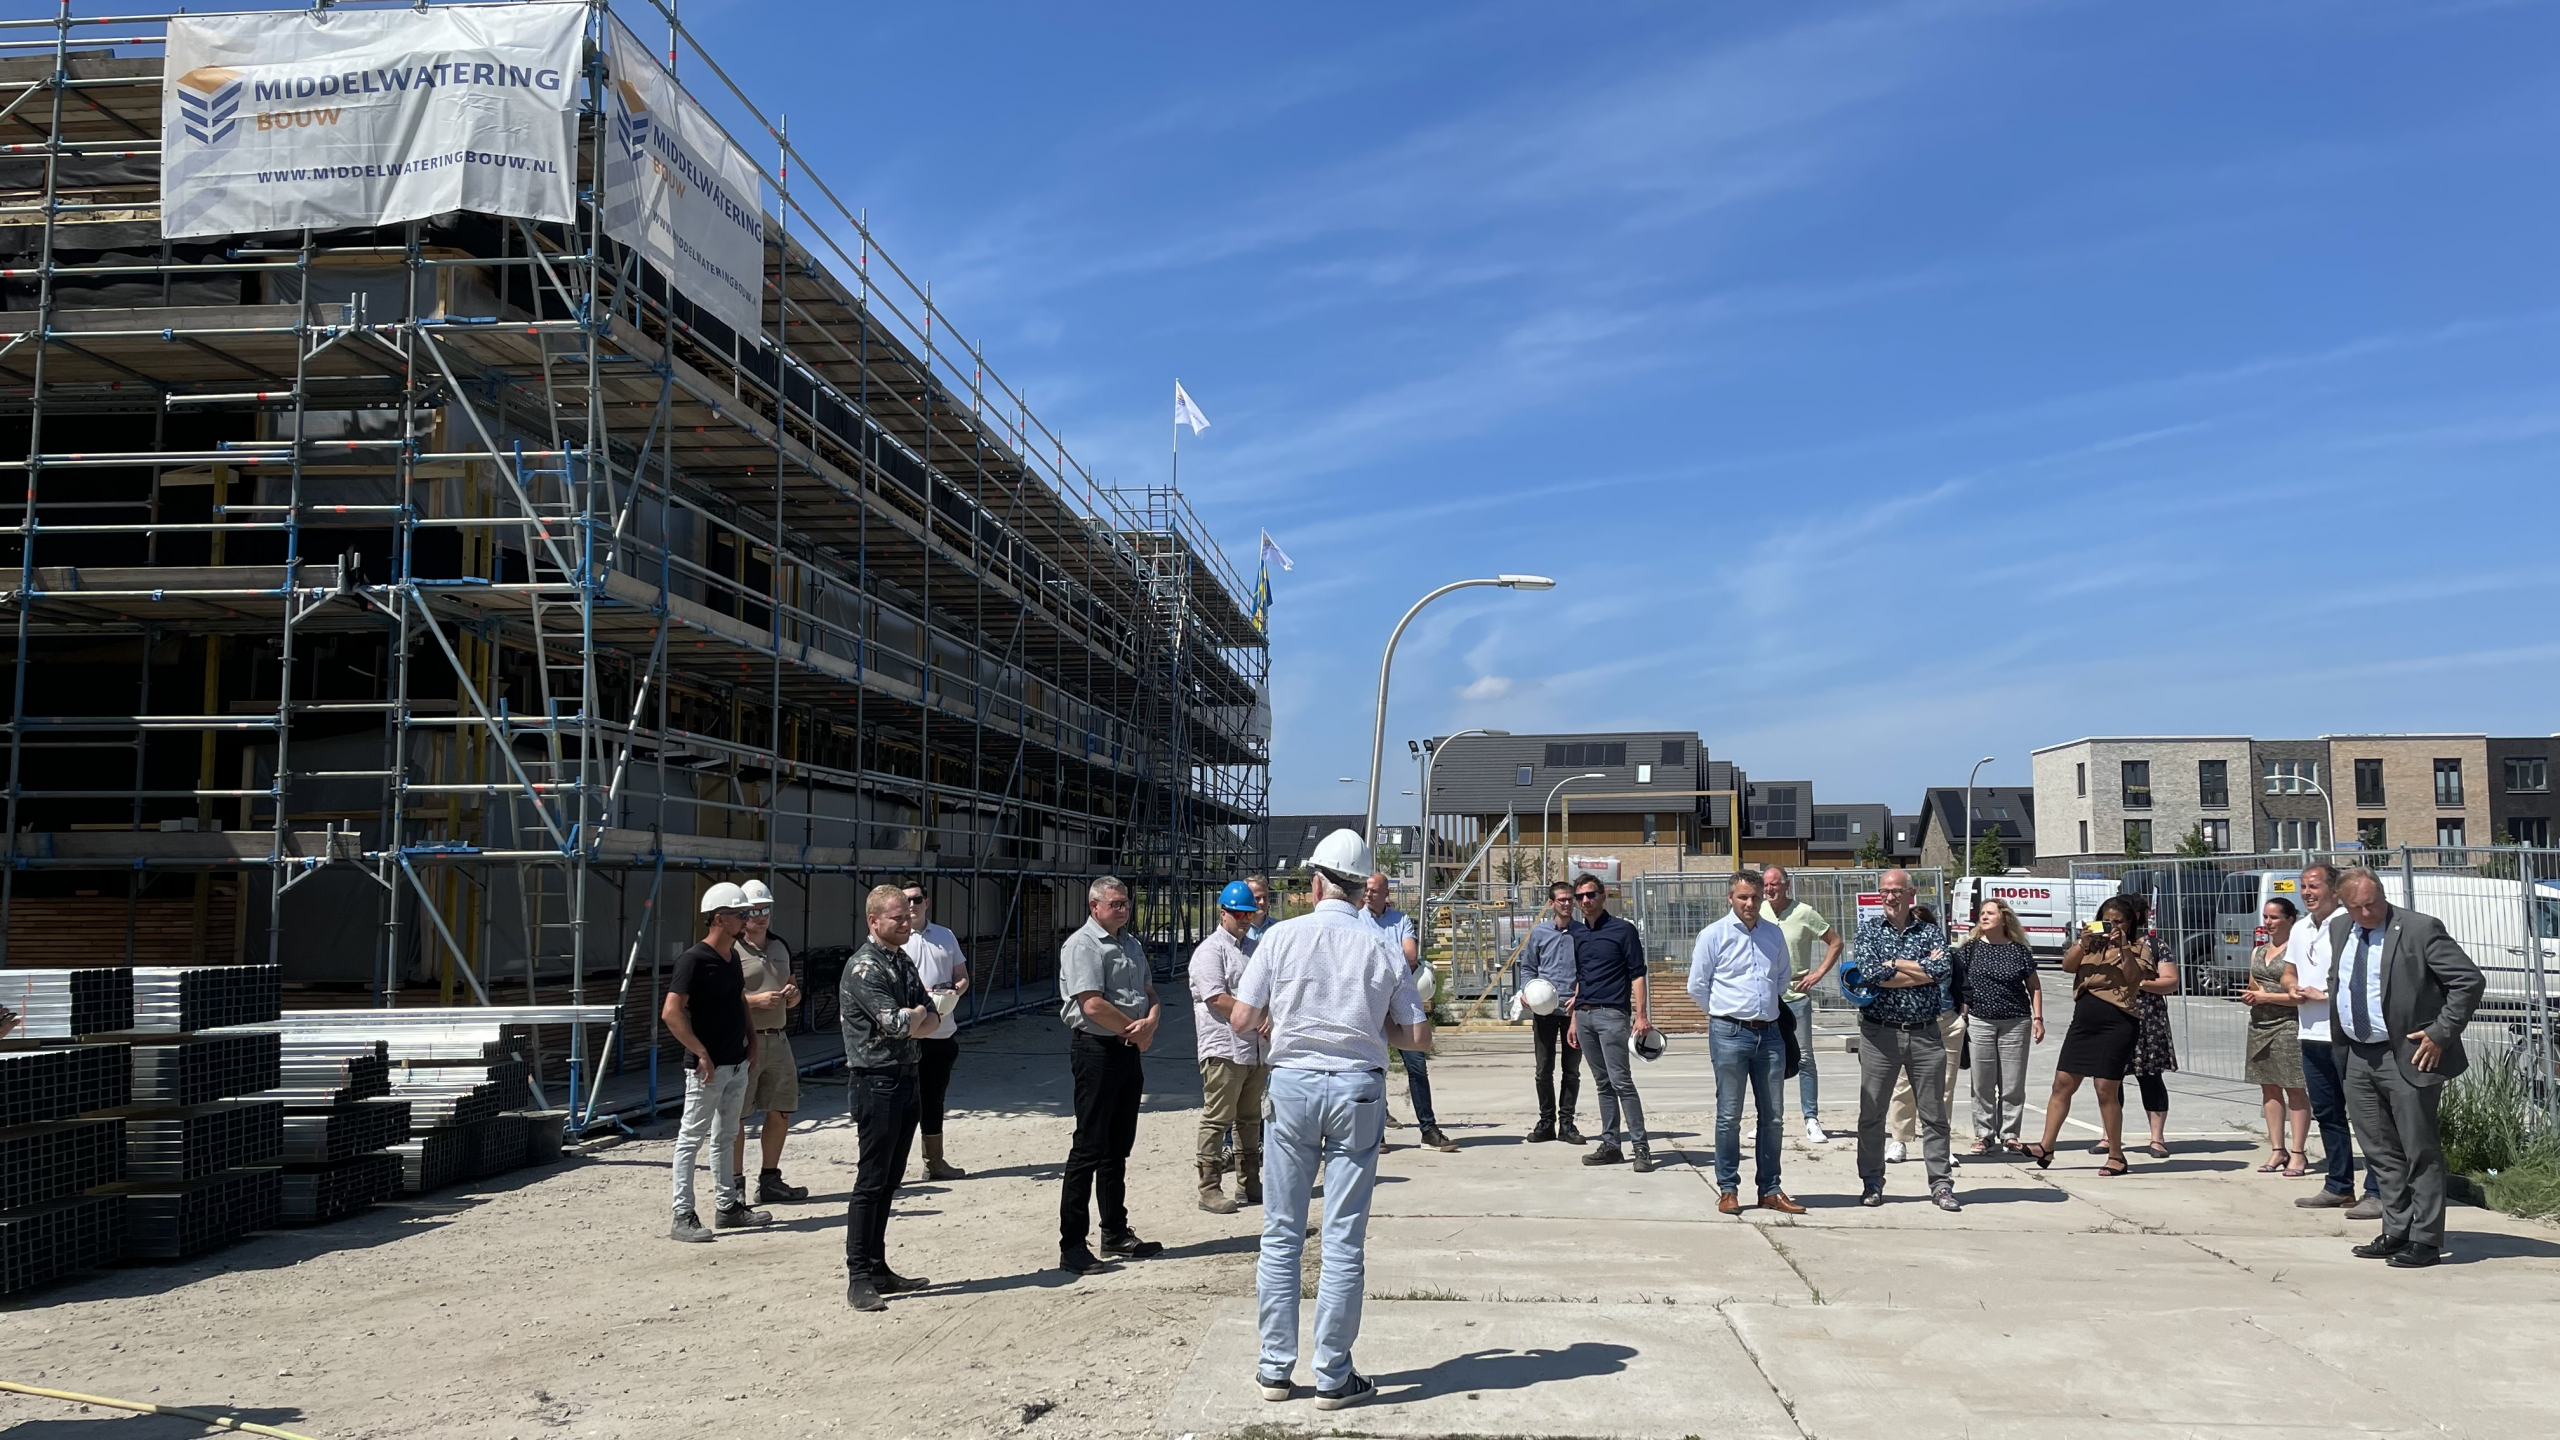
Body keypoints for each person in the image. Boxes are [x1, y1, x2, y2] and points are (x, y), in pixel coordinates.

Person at [1231, 828, 1429, 1412]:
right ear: (1362, 888)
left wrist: (1282, 1025)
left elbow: (1242, 1018)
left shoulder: (1280, 937)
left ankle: (1273, 1368)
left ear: (1316, 882)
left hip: (1291, 1084)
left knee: (1282, 1232)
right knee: (1344, 1239)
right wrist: (1369, 1031)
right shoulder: (1382, 946)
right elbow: (1416, 1035)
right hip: (1356, 1090)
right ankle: (1334, 1375)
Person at [2325, 867, 2484, 1268]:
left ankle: (2427, 1239)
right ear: (2343, 903)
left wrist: (2440, 1033)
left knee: (2419, 1149)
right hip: (2359, 1055)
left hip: (2408, 1055)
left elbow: (2467, 981)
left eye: (2372, 903)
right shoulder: (2340, 928)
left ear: (2382, 894)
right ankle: (2397, 1230)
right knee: (2379, 1150)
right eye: (2356, 907)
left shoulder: (2419, 928)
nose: (2366, 913)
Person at [838, 884, 943, 1310]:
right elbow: (898, 1022)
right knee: (871, 1180)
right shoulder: (865, 968)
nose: (907, 921)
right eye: (897, 917)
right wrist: (917, 1017)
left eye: (909, 914)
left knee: (891, 1180)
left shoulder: (899, 961)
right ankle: (859, 1275)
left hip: (906, 1075)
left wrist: (917, 1017)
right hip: (875, 1081)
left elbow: (931, 1015)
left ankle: (879, 1267)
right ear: (874, 922)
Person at [1056, 875, 1165, 1275]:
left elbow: (1149, 992)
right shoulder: (1083, 945)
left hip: (1127, 1051)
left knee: (1118, 1146)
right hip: (1097, 1050)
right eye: (1114, 904)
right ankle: (1072, 1244)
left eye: (1125, 903)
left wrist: (1150, 1021)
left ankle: (1115, 1230)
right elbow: (1092, 1005)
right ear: (1094, 907)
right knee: (1088, 1147)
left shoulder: (1130, 944)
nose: (1122, 909)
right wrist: (1133, 1030)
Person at [2019, 895, 2169, 1177]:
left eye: (2118, 921)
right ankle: (2046, 1146)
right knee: (2062, 1083)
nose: (2111, 926)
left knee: (2105, 1089)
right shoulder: (2090, 945)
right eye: (2106, 921)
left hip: (2118, 1022)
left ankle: (2116, 1155)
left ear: (2130, 922)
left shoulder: (2139, 946)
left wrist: (2122, 946)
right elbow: (2068, 966)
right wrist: (2083, 941)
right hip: (2084, 1020)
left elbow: (2134, 977)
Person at [1687, 871, 1805, 1215]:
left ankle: (1770, 1189)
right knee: (1729, 1116)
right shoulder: (1714, 935)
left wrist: (1762, 1008)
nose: (1750, 903)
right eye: (1743, 897)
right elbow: (1698, 985)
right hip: (1729, 1033)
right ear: (1730, 898)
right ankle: (1727, 1188)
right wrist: (1725, 1012)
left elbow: (1782, 977)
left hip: (1769, 1034)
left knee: (1774, 1118)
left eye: (1755, 897)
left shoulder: (1774, 935)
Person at [662, 882, 769, 1242]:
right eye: (741, 914)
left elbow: (739, 1001)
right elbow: (671, 1013)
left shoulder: (732, 957)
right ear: (719, 918)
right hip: (706, 1068)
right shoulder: (693, 960)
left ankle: (728, 1207)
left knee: (727, 1135)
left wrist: (751, 1041)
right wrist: (701, 1052)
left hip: (735, 1062)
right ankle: (682, 1214)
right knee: (691, 1138)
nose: (747, 919)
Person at [1847, 870, 1958, 1210]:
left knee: (1934, 1114)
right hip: (1880, 1033)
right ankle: (1872, 1181)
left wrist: (1894, 963)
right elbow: (1870, 974)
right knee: (1872, 1114)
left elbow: (1942, 972)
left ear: (1911, 894)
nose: (1889, 897)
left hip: (1925, 1032)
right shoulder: (1868, 931)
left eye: (1896, 891)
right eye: (1884, 891)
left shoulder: (1929, 931)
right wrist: (1918, 971)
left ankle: (1940, 1185)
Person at [2282, 864, 2383, 1216]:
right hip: (2310, 1033)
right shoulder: (2299, 929)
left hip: (2345, 1034)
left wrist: (2325, 994)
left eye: (2314, 886)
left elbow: (2359, 976)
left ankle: (2377, 1189)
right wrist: (2291, 988)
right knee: (2328, 1113)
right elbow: (2289, 971)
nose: (2307, 893)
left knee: (2365, 1115)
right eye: (2303, 887)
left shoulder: (2349, 924)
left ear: (2334, 889)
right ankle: (2339, 1186)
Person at [1567, 874, 1656, 1171]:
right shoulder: (1577, 933)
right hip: (1585, 1015)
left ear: (1603, 896)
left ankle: (1641, 1148)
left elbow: (1638, 974)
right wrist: (1574, 1020)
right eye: (1580, 897)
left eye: (1590, 894)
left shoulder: (1623, 931)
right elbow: (1582, 976)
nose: (1585, 901)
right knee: (1602, 1083)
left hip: (1612, 1015)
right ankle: (1611, 1145)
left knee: (1621, 1082)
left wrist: (1641, 1015)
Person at [1190, 880, 1270, 1214]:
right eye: (1238, 913)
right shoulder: (1210, 951)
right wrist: (1256, 1015)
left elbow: (1269, 989)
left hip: (1254, 1048)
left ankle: (1250, 1182)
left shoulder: (1254, 949)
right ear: (1222, 912)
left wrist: (1270, 1014)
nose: (1244, 919)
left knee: (1250, 1118)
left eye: (1249, 913)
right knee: (1218, 1117)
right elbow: (1217, 998)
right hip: (1224, 1046)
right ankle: (1209, 1187)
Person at [1361, 871, 1454, 1153]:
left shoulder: (1400, 920)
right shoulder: (1355, 919)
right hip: (1370, 1003)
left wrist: (1379, 959)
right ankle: (1376, 1135)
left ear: (1385, 892)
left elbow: (1411, 955)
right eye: (1365, 890)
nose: (1368, 894)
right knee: (1373, 1069)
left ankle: (1428, 1129)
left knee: (1417, 1066)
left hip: (1400, 1003)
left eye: (1374, 890)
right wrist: (1393, 958)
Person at [730, 879, 809, 1205]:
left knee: (781, 1109)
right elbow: (718, 1000)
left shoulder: (779, 946)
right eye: (753, 911)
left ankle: (770, 1179)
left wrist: (792, 995)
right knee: (737, 1115)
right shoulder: (730, 950)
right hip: (742, 1042)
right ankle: (733, 1185)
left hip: (777, 1039)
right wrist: (753, 1001)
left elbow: (793, 989)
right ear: (741, 913)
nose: (760, 917)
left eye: (765, 909)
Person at [1956, 897, 2043, 1153]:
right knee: (1982, 1083)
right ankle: (1983, 1134)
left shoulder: (2018, 950)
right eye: (1982, 913)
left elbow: (2034, 987)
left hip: (2015, 1021)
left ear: (2003, 918)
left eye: (1990, 913)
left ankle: (2010, 1134)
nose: (1984, 917)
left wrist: (2038, 1018)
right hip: (1980, 1020)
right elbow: (1959, 983)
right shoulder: (1970, 948)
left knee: (2012, 1083)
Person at [1764, 866, 1843, 1143]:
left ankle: (1811, 1118)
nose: (1769, 889)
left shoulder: (1804, 912)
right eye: (1766, 885)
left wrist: (1818, 973)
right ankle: (1770, 1117)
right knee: (1767, 1060)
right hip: (1766, 997)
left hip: (1796, 996)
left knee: (1804, 1058)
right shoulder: (1758, 912)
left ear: (1786, 885)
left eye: (1774, 884)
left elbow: (1835, 941)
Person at [899, 880, 971, 1182]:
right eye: (906, 902)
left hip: (942, 1031)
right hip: (908, 1034)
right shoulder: (895, 938)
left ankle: (934, 1162)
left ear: (926, 902)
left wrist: (953, 992)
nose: (911, 906)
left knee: (934, 1100)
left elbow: (962, 976)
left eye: (916, 900)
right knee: (903, 1103)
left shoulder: (945, 936)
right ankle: (894, 1169)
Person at [2237, 897, 2312, 1176]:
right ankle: (2277, 1149)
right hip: (2260, 1024)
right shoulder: (2258, 952)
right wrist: (2251, 996)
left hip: (2288, 1024)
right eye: (2266, 917)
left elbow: (2300, 996)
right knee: (2268, 1087)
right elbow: (2253, 984)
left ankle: (2298, 1152)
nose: (2268, 922)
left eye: (2274, 917)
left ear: (2290, 919)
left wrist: (2266, 996)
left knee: (2293, 1086)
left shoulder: (2298, 951)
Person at [1519, 881, 1584, 1144]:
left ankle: (1567, 1124)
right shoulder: (1539, 934)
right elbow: (1528, 968)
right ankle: (1546, 1122)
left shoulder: (1582, 934)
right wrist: (1527, 992)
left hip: (1573, 1012)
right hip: (1544, 1010)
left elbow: (1589, 970)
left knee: (1572, 1070)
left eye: (1570, 899)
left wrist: (1581, 996)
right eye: (1561, 900)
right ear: (1551, 903)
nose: (1567, 904)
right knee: (1544, 1068)